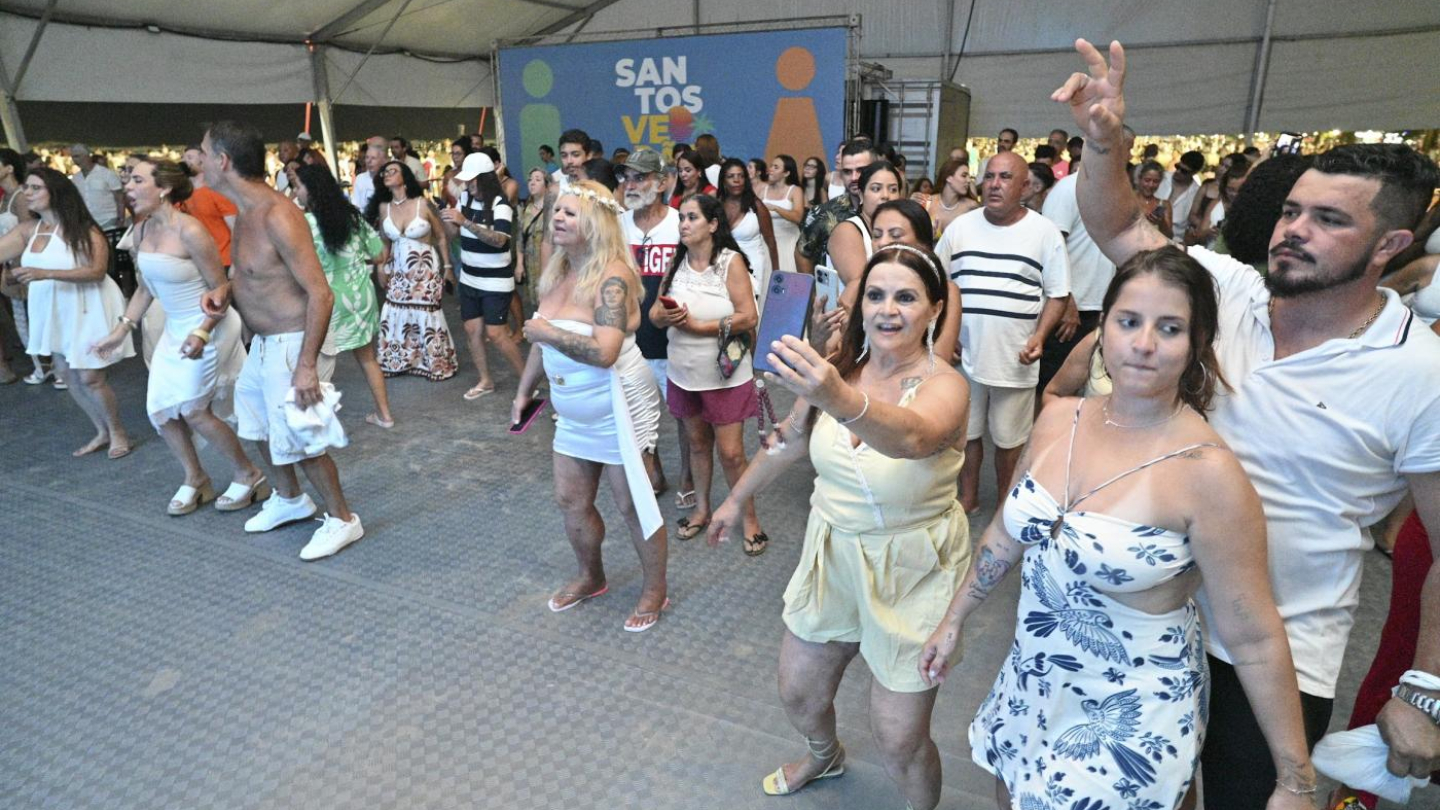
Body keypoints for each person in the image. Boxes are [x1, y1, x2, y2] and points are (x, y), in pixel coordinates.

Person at [1054, 39, 1440, 803]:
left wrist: (1424, 685)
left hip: (1282, 657)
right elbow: (1120, 227)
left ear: (1389, 245)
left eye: (1328, 219)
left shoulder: (1419, 371)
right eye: (1292, 210)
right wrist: (1103, 146)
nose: (1292, 229)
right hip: (1153, 618)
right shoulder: (1225, 289)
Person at [921, 247, 1317, 808]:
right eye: (1129, 321)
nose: (1144, 344)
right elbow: (1005, 536)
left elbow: (1253, 635)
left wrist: (1294, 779)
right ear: (1102, 327)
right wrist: (953, 619)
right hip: (1035, 683)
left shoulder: (1209, 473)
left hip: (1131, 717)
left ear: (1197, 343)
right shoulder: (1060, 418)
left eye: (1170, 327)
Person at [706, 244, 971, 810]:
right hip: (833, 550)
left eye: (906, 297)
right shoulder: (843, 367)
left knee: (899, 738)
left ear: (935, 308)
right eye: (875, 295)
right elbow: (792, 440)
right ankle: (823, 755)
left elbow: (913, 438)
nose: (887, 310)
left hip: (913, 568)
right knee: (798, 692)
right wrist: (735, 499)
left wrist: (840, 397)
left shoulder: (946, 385)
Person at [197, 120, 363, 560]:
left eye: (203, 153)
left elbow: (320, 293)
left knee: (305, 438)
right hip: (265, 346)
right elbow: (254, 275)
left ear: (223, 161)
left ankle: (343, 520)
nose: (196, 162)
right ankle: (290, 499)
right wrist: (224, 291)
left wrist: (306, 364)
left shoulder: (278, 215)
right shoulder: (246, 213)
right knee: (256, 426)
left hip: (292, 343)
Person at [510, 180, 668, 631]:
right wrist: (524, 391)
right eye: (557, 210)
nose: (558, 218)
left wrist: (547, 334)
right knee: (570, 499)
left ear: (594, 224)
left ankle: (655, 589)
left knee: (632, 503)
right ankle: (591, 575)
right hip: (571, 404)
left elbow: (604, 352)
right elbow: (542, 336)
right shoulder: (558, 268)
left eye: (570, 213)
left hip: (618, 399)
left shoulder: (612, 276)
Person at [92, 159, 262, 514]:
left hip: (209, 325)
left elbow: (221, 289)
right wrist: (121, 330)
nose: (128, 187)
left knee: (194, 409)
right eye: (128, 180)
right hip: (173, 331)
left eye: (137, 180)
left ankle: (248, 474)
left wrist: (202, 332)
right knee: (161, 410)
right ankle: (196, 478)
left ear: (164, 188)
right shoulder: (140, 231)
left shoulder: (191, 232)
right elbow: (145, 289)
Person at [937, 150, 1071, 514]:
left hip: (1016, 355)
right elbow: (937, 285)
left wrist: (1039, 337)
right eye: (990, 176)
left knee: (1010, 441)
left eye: (1005, 177)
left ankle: (1004, 504)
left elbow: (1057, 295)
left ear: (1025, 186)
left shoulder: (1044, 233)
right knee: (968, 434)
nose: (994, 184)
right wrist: (943, 337)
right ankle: (968, 498)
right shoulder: (960, 228)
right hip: (965, 354)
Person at [650, 195, 767, 553]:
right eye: (682, 218)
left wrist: (700, 327)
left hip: (725, 375)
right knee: (698, 445)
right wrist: (664, 317)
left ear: (713, 225)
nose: (683, 224)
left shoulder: (731, 263)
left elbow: (749, 317)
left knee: (731, 453)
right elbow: (654, 312)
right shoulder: (677, 261)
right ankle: (702, 508)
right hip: (683, 371)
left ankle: (749, 519)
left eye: (692, 218)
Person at [0, 167, 134, 457]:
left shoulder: (84, 229)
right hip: (53, 307)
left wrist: (42, 271)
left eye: (36, 188)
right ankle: (101, 431)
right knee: (66, 373)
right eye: (27, 187)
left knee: (90, 377)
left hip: (87, 304)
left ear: (56, 192)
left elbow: (97, 271)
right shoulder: (28, 230)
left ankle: (118, 431)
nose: (28, 193)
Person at [294, 164, 394, 427]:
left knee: (320, 366)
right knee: (368, 359)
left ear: (312, 190)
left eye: (298, 186)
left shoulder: (304, 224)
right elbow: (380, 255)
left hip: (326, 301)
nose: (295, 192)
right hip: (360, 296)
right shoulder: (353, 217)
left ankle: (317, 427)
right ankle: (385, 415)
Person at [618, 148, 692, 504]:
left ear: (661, 182)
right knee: (637, 414)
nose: (631, 184)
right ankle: (654, 472)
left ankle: (689, 481)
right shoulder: (618, 224)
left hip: (675, 340)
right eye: (627, 177)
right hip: (631, 341)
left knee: (685, 418)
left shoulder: (681, 223)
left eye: (640, 177)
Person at [440, 151, 524, 396]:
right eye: (466, 180)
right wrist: (448, 218)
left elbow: (499, 240)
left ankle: (526, 381)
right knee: (471, 330)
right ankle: (485, 380)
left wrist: (465, 222)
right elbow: (453, 234)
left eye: (473, 179)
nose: (468, 185)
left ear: (486, 178)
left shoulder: (501, 204)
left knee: (497, 333)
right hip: (469, 276)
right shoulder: (464, 197)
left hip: (496, 280)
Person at [370, 159, 457, 383]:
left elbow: (440, 236)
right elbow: (384, 241)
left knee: (427, 312)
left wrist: (447, 267)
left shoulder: (422, 204)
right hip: (398, 267)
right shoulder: (384, 207)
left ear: (405, 177)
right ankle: (400, 361)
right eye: (385, 171)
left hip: (425, 267)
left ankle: (434, 363)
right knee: (395, 310)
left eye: (393, 170)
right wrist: (381, 266)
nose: (387, 174)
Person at [867, 199, 961, 366]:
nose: (882, 242)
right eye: (876, 235)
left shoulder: (947, 291)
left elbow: (939, 361)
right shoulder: (862, 285)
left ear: (922, 242)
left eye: (895, 235)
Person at [818, 160, 901, 318]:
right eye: (876, 189)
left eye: (893, 189)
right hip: (851, 326)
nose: (885, 196)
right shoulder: (848, 230)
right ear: (861, 195)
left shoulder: (900, 233)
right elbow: (858, 286)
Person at [796, 139, 876, 276]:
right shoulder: (824, 213)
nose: (854, 177)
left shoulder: (890, 212)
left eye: (861, 170)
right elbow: (802, 253)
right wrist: (813, 292)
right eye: (847, 172)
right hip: (836, 295)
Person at [717, 158, 778, 305]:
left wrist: (777, 275)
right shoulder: (716, 205)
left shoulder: (756, 206)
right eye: (731, 176)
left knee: (747, 313)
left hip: (753, 267)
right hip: (722, 266)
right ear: (723, 181)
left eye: (741, 176)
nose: (737, 180)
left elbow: (771, 243)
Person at [180, 144, 239, 267]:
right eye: (183, 157)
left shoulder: (218, 191)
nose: (185, 161)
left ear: (202, 160)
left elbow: (235, 228)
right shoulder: (183, 196)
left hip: (224, 261)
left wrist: (235, 263)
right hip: (200, 262)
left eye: (190, 157)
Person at [762, 154, 805, 276]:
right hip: (766, 241)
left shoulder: (795, 190)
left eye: (776, 167)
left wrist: (776, 208)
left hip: (788, 241)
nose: (771, 169)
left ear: (786, 173)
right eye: (771, 166)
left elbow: (798, 217)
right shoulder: (763, 189)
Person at [517, 167, 550, 308]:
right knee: (536, 304)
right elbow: (520, 239)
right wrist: (519, 264)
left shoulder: (554, 209)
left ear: (547, 185)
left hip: (547, 266)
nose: (532, 183)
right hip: (531, 267)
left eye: (538, 180)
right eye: (530, 180)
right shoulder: (527, 209)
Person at [923, 158, 979, 237]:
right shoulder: (927, 202)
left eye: (968, 176)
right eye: (964, 176)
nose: (968, 180)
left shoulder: (971, 207)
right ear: (949, 178)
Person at [1134, 159, 1174, 239]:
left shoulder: (1164, 204)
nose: (1151, 185)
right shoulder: (1129, 199)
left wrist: (1161, 222)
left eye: (1155, 181)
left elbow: (1169, 236)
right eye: (1147, 180)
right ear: (1140, 179)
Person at [348, 137, 388, 213]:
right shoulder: (360, 178)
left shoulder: (389, 177)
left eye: (373, 158)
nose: (369, 161)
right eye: (367, 158)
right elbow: (356, 204)